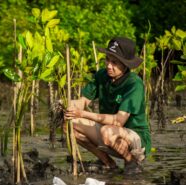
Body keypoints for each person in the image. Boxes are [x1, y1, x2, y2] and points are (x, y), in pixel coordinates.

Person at [64, 37, 151, 174]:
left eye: (115, 62)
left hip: (135, 139)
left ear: (125, 64)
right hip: (109, 133)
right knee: (69, 125)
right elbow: (83, 101)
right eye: (107, 60)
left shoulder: (134, 84)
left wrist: (83, 114)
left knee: (107, 132)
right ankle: (108, 163)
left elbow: (118, 121)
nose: (109, 66)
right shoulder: (101, 75)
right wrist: (67, 104)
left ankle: (132, 162)